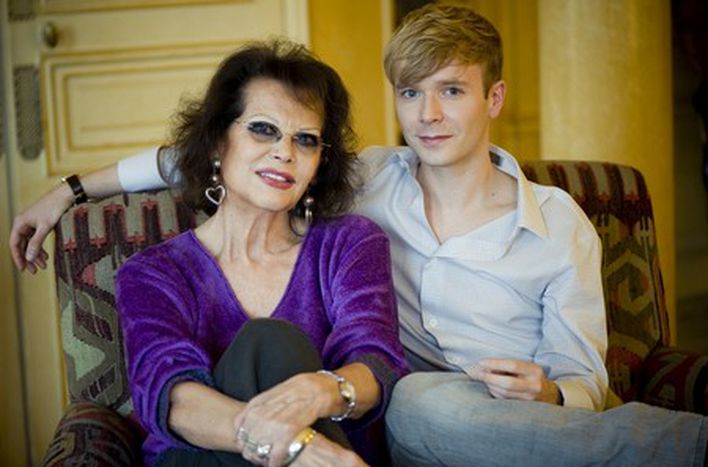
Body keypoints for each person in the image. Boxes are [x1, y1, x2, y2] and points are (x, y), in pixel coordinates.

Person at [10, 4, 707, 467]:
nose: (428, 115)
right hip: (371, 429)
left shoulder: (552, 224)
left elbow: (582, 376)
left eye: (452, 91)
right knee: (349, 374)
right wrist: (71, 189)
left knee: (409, 394)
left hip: (497, 422)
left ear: (493, 98)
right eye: (410, 93)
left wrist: (551, 393)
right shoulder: (372, 179)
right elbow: (193, 156)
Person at [97, 40, 409, 467]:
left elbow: (377, 363)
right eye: (263, 129)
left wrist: (320, 391)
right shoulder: (154, 272)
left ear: (319, 163)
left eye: (306, 140)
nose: (285, 152)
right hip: (205, 458)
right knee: (270, 340)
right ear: (215, 142)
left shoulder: (349, 244)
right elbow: (170, 395)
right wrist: (297, 446)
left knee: (271, 343)